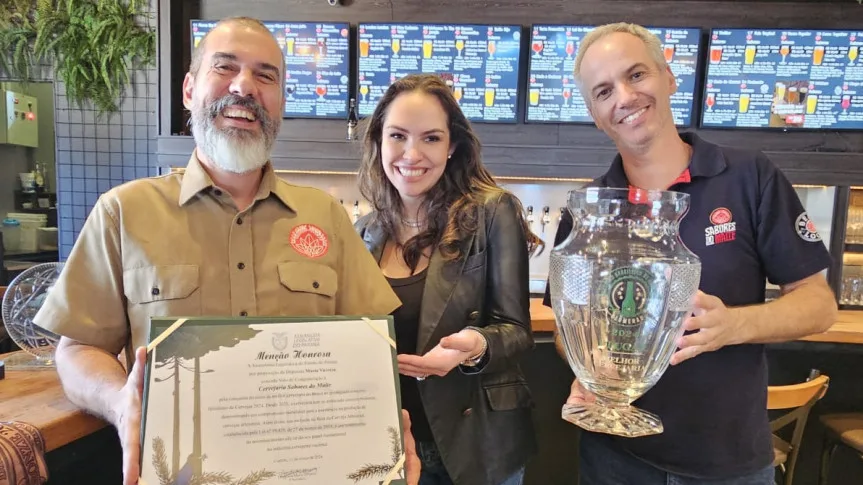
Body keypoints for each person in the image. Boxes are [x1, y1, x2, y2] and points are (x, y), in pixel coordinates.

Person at [32, 17, 419, 485]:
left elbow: (370, 348)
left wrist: (383, 436)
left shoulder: (327, 218)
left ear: (280, 102)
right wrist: (122, 402)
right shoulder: (123, 212)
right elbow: (78, 349)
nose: (244, 86)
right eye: (225, 67)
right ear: (189, 90)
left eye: (265, 75)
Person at [543, 22, 838, 484]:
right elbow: (566, 328)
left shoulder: (749, 177)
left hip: (727, 459)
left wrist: (732, 325)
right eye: (603, 91)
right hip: (615, 458)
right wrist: (588, 366)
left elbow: (819, 305)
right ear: (595, 114)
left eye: (636, 75)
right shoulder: (590, 209)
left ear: (668, 77)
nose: (624, 97)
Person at [354, 73, 541, 485]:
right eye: (398, 136)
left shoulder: (493, 213)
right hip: (391, 445)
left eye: (431, 138)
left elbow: (516, 330)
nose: (412, 153)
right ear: (379, 141)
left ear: (453, 146)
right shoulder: (362, 232)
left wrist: (475, 346)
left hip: (475, 443)